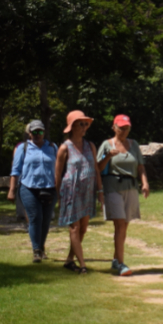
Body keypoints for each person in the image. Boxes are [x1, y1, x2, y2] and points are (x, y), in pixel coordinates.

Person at [98, 114, 149, 276]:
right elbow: (98, 168)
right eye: (121, 127)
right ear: (114, 127)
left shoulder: (134, 145)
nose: (125, 130)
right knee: (120, 224)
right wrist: (108, 156)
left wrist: (145, 183)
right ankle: (121, 264)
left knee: (125, 225)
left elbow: (140, 167)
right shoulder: (107, 145)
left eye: (127, 127)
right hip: (112, 187)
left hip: (131, 187)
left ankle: (115, 259)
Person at [54, 110, 101, 274]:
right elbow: (57, 173)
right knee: (74, 227)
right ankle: (82, 265)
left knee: (83, 228)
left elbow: (95, 168)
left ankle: (69, 260)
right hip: (71, 192)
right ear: (72, 126)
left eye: (86, 124)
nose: (84, 127)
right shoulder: (64, 148)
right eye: (81, 123)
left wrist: (100, 190)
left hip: (88, 193)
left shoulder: (90, 146)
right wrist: (58, 195)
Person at [8, 120, 57, 263]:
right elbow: (15, 171)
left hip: (49, 188)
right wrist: (12, 190)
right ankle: (36, 250)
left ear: (44, 133)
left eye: (40, 132)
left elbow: (60, 168)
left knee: (46, 220)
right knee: (35, 218)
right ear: (29, 133)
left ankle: (41, 247)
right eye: (34, 132)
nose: (37, 135)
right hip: (28, 187)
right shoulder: (23, 148)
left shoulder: (53, 147)